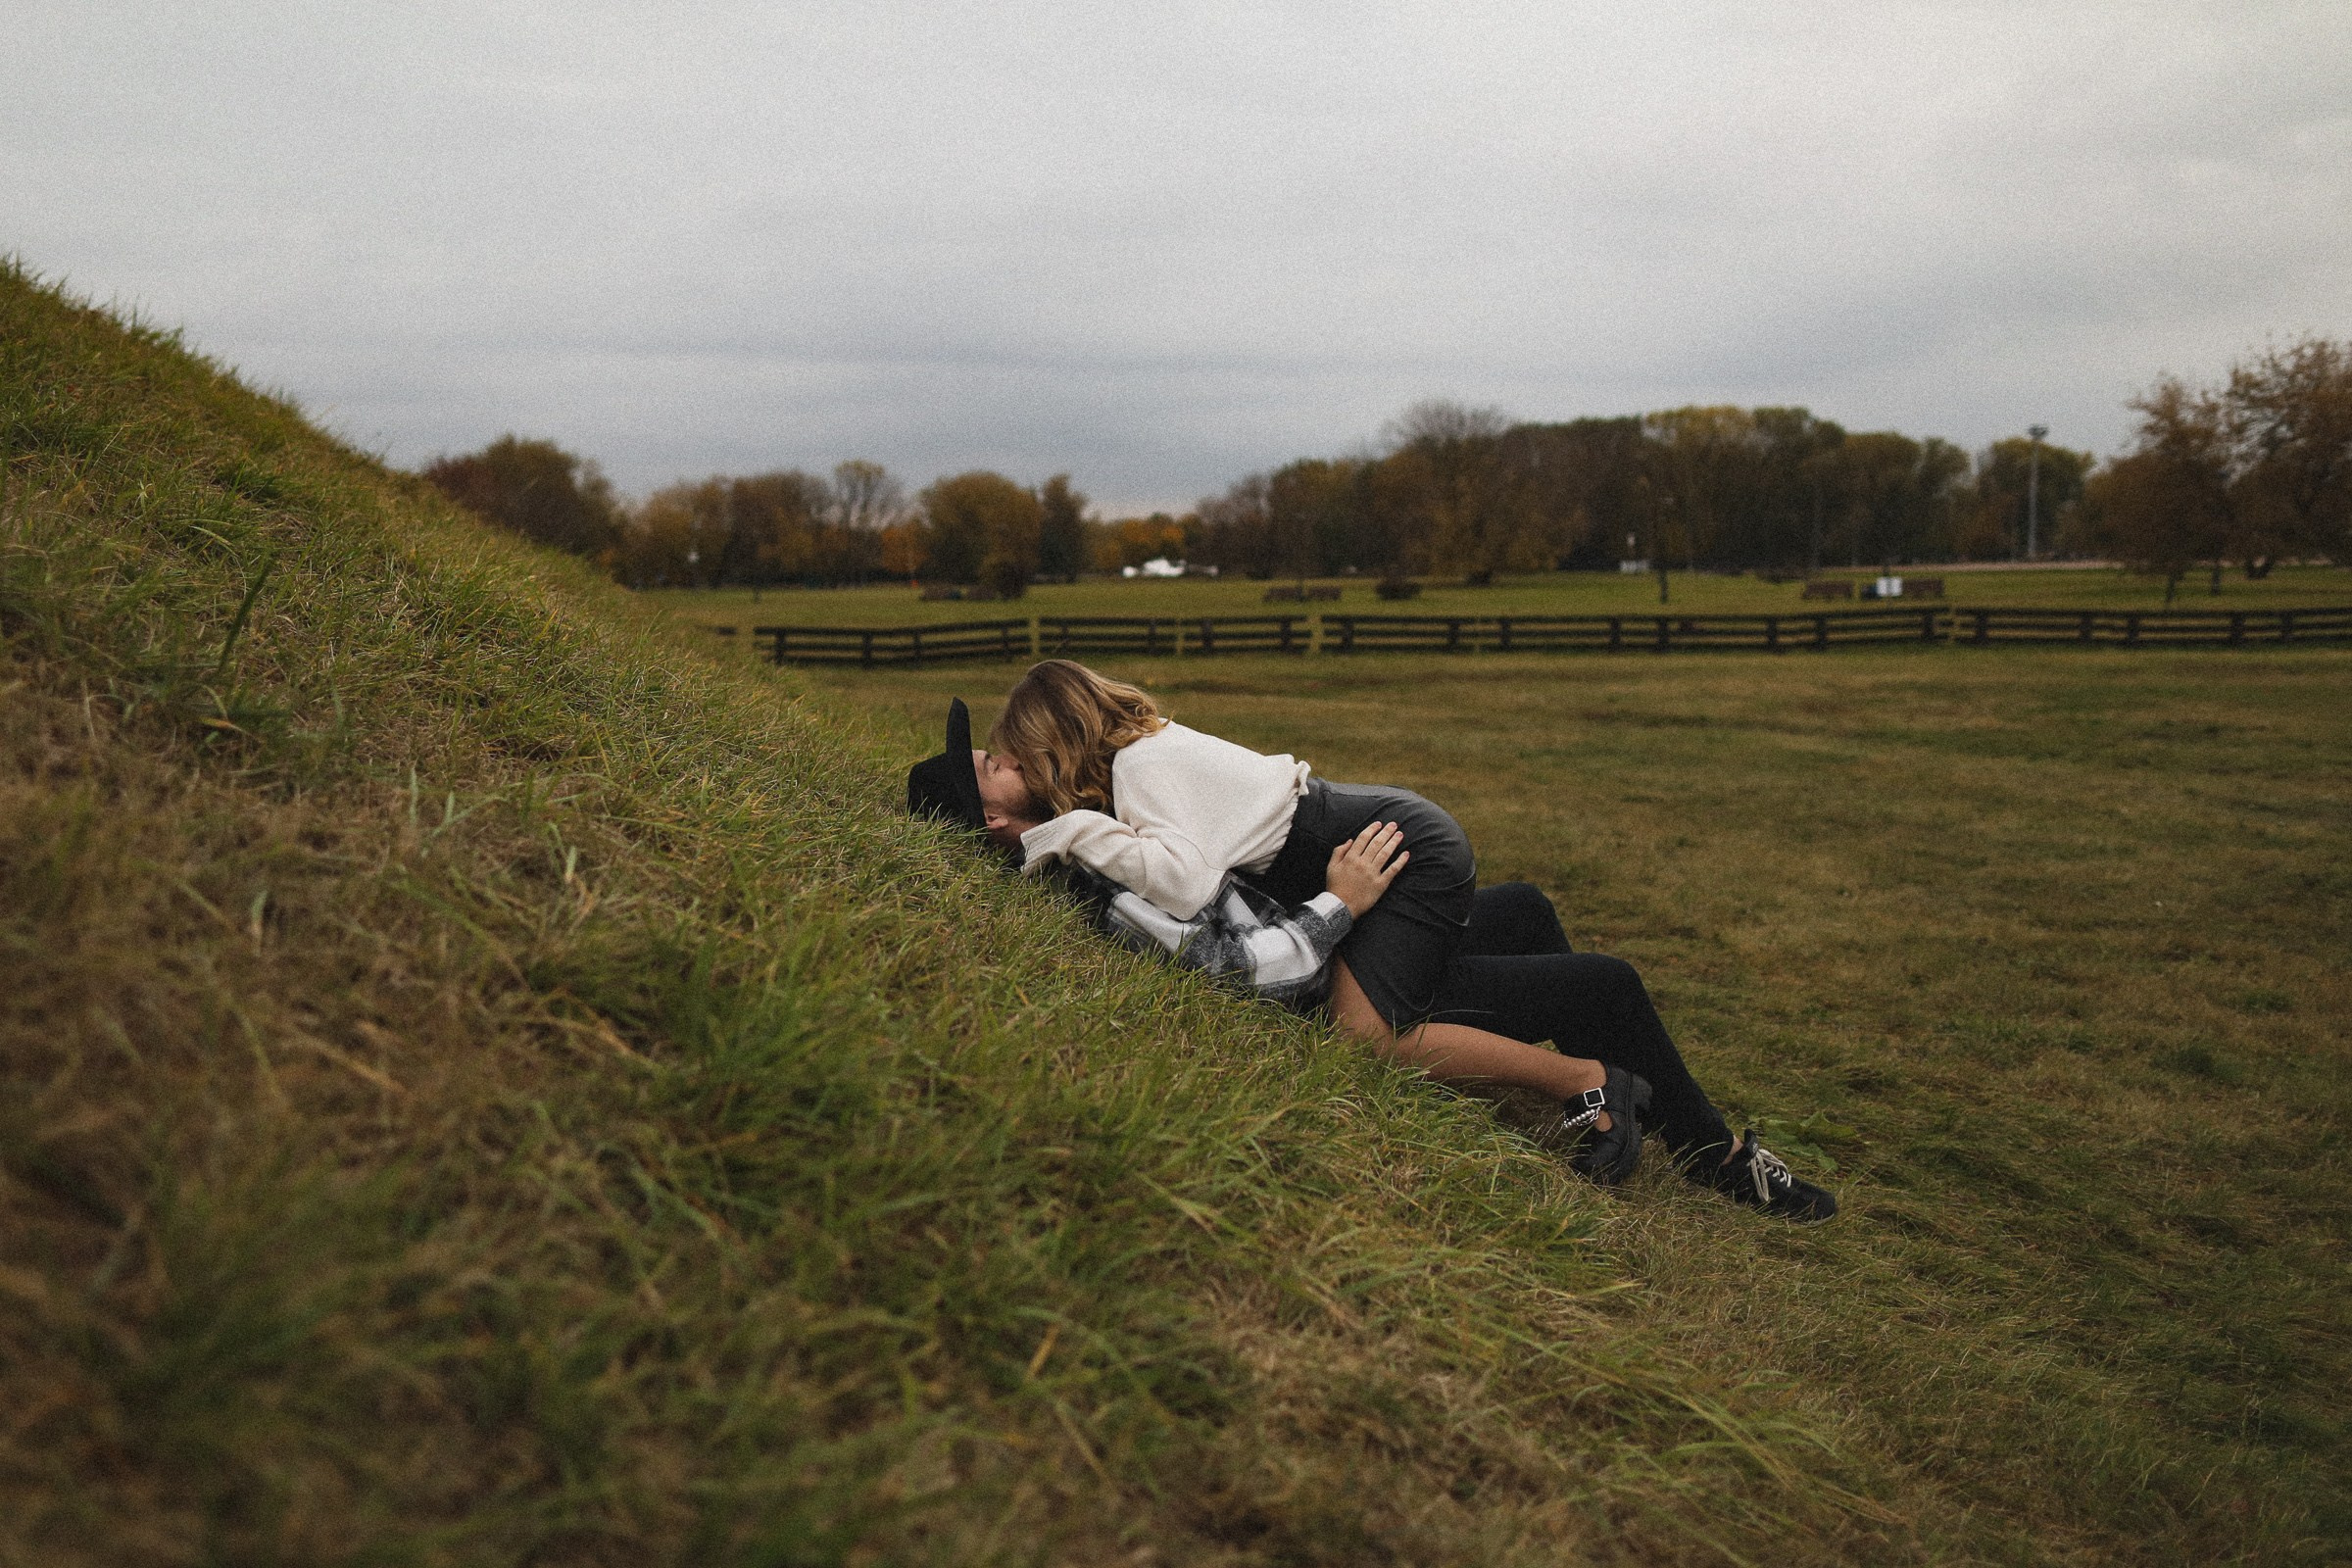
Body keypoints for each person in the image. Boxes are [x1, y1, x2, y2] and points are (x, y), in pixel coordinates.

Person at [908, 684, 1835, 1220]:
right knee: (1524, 919)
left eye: (1002, 748)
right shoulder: (1094, 835)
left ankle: (1628, 1103)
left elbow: (1198, 889)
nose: (1002, 756)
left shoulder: (1110, 805)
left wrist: (1336, 903)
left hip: (1389, 850)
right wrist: (1332, 906)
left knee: (1370, 1030)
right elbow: (1203, 906)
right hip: (1375, 854)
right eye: (991, 762)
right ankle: (1648, 1105)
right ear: (994, 812)